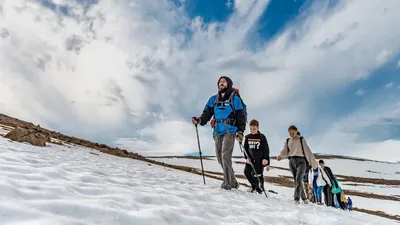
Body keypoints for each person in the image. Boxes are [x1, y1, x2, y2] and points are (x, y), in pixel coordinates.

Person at [192, 76, 246, 190]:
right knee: (220, 158)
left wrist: (240, 132)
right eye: (220, 82)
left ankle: (227, 185)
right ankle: (234, 182)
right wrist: (200, 120)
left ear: (229, 84)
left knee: (225, 156)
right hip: (217, 131)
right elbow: (207, 113)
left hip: (230, 130)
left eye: (224, 81)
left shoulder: (234, 98)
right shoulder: (213, 99)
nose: (221, 83)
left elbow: (241, 115)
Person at [277, 125, 318, 204]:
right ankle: (304, 198)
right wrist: (280, 157)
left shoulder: (301, 139)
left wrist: (314, 163)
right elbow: (285, 151)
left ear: (296, 131)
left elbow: (307, 150)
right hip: (291, 161)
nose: (291, 135)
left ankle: (296, 198)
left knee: (299, 179)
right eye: (290, 133)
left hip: (301, 161)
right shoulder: (288, 140)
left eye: (293, 133)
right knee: (297, 180)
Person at [243, 119, 270, 194]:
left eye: (254, 129)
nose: (252, 130)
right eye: (251, 129)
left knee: (257, 174)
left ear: (258, 128)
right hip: (250, 160)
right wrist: (246, 158)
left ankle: (261, 189)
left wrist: (266, 159)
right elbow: (245, 149)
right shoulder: (247, 137)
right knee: (247, 172)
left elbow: (266, 149)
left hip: (259, 160)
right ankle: (254, 186)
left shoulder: (262, 137)